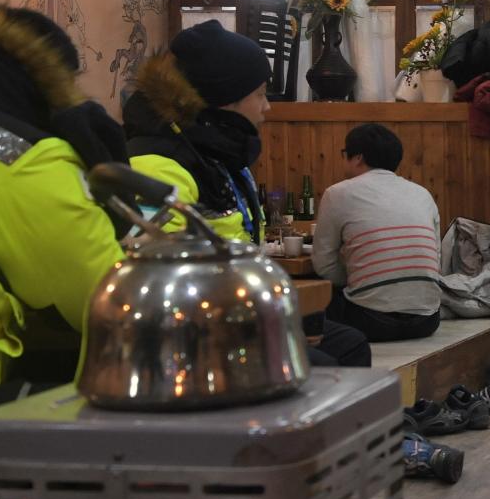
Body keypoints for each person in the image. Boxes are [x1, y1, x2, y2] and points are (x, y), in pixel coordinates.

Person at [0, 5, 129, 499]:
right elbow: (106, 298)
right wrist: (96, 159)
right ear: (55, 84)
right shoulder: (13, 152)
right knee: (150, 442)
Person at [122, 19, 369, 367]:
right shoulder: (157, 164)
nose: (267, 107)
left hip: (239, 311)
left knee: (347, 342)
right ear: (224, 100)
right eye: (259, 94)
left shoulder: (216, 154)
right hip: (195, 335)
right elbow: (157, 280)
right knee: (324, 364)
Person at [314, 123, 442, 341]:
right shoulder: (423, 194)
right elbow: (436, 257)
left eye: (345, 154)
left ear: (358, 158)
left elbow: (323, 265)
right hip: (428, 320)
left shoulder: (338, 193)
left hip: (371, 322)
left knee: (316, 296)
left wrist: (358, 275)